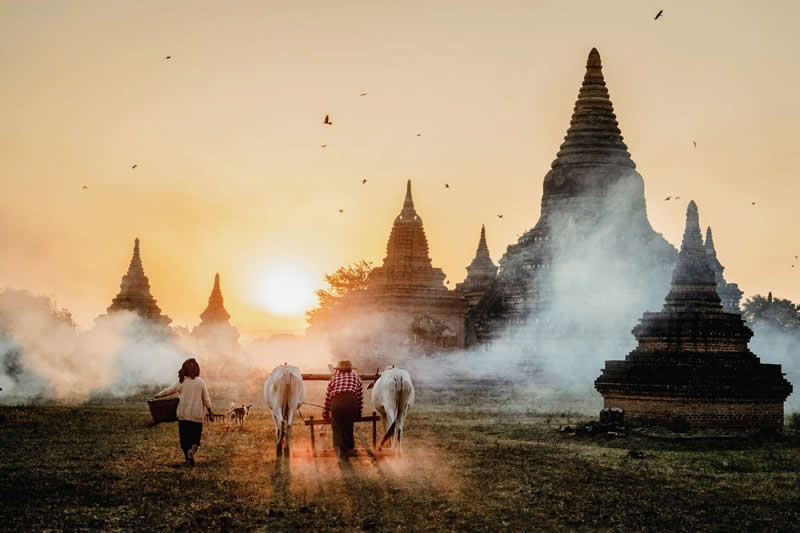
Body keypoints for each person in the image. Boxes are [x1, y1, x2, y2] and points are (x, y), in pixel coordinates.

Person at [152, 357, 213, 466]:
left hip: (183, 416)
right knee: (195, 440)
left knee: (185, 440)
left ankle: (187, 459)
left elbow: (168, 391)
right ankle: (192, 453)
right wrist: (210, 411)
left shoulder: (181, 383)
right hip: (197, 417)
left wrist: (157, 396)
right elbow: (206, 399)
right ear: (197, 369)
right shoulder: (201, 382)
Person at [323, 360, 363, 458]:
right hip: (351, 403)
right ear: (350, 369)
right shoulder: (356, 378)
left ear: (339, 369)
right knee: (348, 426)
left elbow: (328, 397)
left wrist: (325, 413)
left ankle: (338, 450)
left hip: (336, 403)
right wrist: (358, 413)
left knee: (336, 426)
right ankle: (348, 449)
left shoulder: (334, 378)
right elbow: (359, 398)